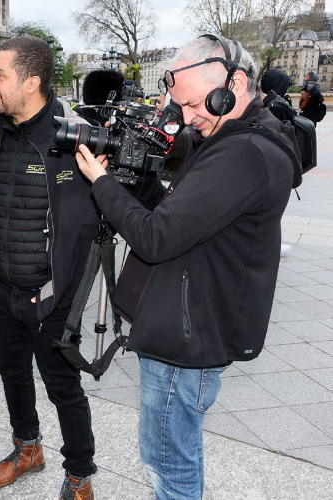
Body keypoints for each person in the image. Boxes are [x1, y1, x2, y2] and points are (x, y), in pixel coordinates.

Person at [76, 34, 302, 499]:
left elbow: (156, 238)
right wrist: (136, 184)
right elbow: (178, 216)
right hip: (189, 322)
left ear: (234, 84)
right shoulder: (230, 136)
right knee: (171, 456)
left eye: (197, 104)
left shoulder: (243, 152)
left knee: (168, 464)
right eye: (181, 107)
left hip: (188, 338)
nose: (189, 118)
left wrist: (102, 184)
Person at [0, 36, 99, 499]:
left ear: (33, 82)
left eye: (0, 74)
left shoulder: (72, 139)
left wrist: (63, 294)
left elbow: (90, 228)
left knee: (64, 388)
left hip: (49, 298)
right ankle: (28, 449)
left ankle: (80, 475)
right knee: (14, 375)